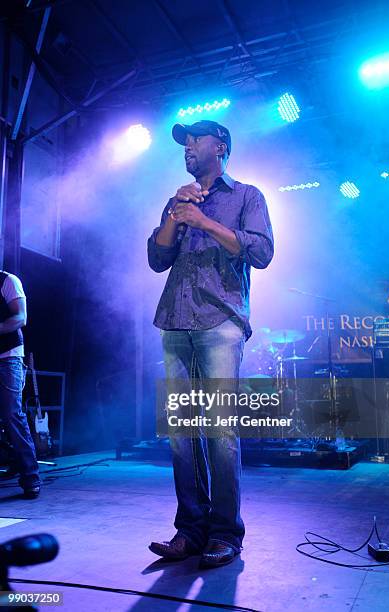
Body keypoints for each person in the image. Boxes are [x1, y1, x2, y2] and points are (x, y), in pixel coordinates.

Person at [147, 120, 274, 568]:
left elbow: (261, 252)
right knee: (182, 435)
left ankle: (225, 534)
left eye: (194, 140)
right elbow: (156, 258)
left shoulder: (247, 196)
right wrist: (174, 216)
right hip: (175, 322)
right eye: (183, 142)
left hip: (220, 320)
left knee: (220, 433)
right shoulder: (178, 198)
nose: (187, 148)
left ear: (219, 146)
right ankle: (190, 529)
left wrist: (203, 221)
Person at [0, 271, 40, 499]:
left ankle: (30, 478)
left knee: (12, 415)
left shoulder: (8, 281)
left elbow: (20, 318)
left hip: (7, 357)